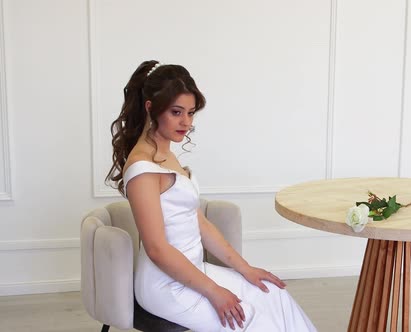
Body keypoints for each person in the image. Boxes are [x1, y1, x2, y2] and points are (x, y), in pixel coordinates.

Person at [105, 60, 316, 331]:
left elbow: (199, 223)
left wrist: (245, 268)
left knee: (273, 294)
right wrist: (214, 292)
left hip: (192, 270)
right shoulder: (142, 170)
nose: (186, 122)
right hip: (165, 286)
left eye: (191, 113)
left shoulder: (166, 153)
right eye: (176, 112)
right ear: (151, 109)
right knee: (254, 321)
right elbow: (157, 250)